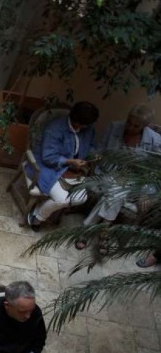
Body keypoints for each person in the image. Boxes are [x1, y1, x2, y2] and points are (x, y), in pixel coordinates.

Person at [77, 104, 161, 252]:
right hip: (109, 172)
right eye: (129, 121)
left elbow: (154, 171)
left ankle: (87, 230)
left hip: (134, 179)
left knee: (116, 190)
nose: (130, 127)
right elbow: (100, 150)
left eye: (136, 126)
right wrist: (94, 157)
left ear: (145, 127)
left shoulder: (155, 140)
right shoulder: (114, 127)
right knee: (117, 191)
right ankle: (104, 233)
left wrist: (146, 192)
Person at [27, 101, 99, 229]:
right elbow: (48, 157)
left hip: (71, 170)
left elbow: (91, 146)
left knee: (81, 198)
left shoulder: (88, 128)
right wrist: (70, 161)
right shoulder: (55, 128)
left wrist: (93, 156)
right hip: (46, 167)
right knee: (62, 199)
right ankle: (37, 217)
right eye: (82, 125)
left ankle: (39, 210)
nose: (83, 128)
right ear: (75, 120)